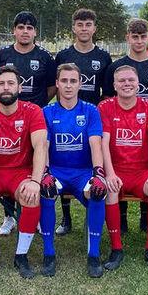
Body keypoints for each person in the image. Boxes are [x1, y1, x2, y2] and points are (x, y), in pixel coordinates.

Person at [0, 66, 48, 280]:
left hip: (20, 172)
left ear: (20, 87)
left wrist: (35, 181)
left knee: (31, 197)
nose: (5, 88)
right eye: (1, 84)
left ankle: (21, 256)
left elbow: (40, 147)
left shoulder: (33, 111)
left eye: (11, 83)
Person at [41, 63, 108, 277]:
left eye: (73, 81)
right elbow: (44, 146)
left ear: (80, 84)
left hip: (82, 172)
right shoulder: (47, 112)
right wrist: (45, 173)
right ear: (57, 84)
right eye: (64, 81)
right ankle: (49, 253)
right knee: (46, 192)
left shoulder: (90, 110)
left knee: (97, 193)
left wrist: (98, 173)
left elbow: (96, 144)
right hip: (57, 171)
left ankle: (93, 255)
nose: (68, 85)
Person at [98, 65, 148, 271]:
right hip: (116, 169)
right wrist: (110, 174)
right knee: (110, 190)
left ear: (138, 84)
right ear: (114, 85)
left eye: (130, 80)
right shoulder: (105, 107)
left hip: (141, 171)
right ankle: (116, 248)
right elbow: (103, 143)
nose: (126, 84)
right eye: (121, 81)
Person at [0, 11, 56, 236]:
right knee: (7, 161)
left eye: (29, 28)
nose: (25, 31)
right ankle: (9, 217)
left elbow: (52, 87)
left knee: (32, 162)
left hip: (34, 118)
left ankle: (33, 213)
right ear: (14, 30)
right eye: (21, 27)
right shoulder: (3, 54)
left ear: (35, 32)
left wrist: (35, 107)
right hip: (7, 117)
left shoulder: (45, 57)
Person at [103, 18, 148, 233]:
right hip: (121, 121)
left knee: (146, 165)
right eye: (135, 37)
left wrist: (147, 119)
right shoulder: (115, 67)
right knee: (120, 160)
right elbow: (110, 97)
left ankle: (145, 216)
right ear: (128, 38)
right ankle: (120, 218)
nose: (139, 41)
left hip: (147, 124)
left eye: (143, 37)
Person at [53, 9, 112, 236]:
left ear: (94, 28)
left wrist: (96, 113)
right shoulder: (64, 55)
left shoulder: (103, 57)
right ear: (74, 28)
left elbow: (107, 92)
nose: (84, 28)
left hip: (91, 118)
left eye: (88, 24)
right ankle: (66, 217)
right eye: (80, 24)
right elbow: (56, 88)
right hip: (66, 118)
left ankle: (96, 214)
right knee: (64, 158)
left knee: (88, 163)